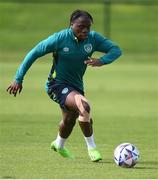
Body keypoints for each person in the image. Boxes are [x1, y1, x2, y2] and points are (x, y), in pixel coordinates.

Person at [7, 9, 122, 162]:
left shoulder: (93, 39)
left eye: (88, 26)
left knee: (71, 119)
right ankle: (92, 148)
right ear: (71, 25)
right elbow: (34, 53)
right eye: (81, 26)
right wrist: (18, 79)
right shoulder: (59, 38)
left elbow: (116, 49)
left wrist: (102, 60)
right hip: (56, 84)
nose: (85, 30)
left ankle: (58, 144)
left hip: (76, 87)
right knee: (84, 107)